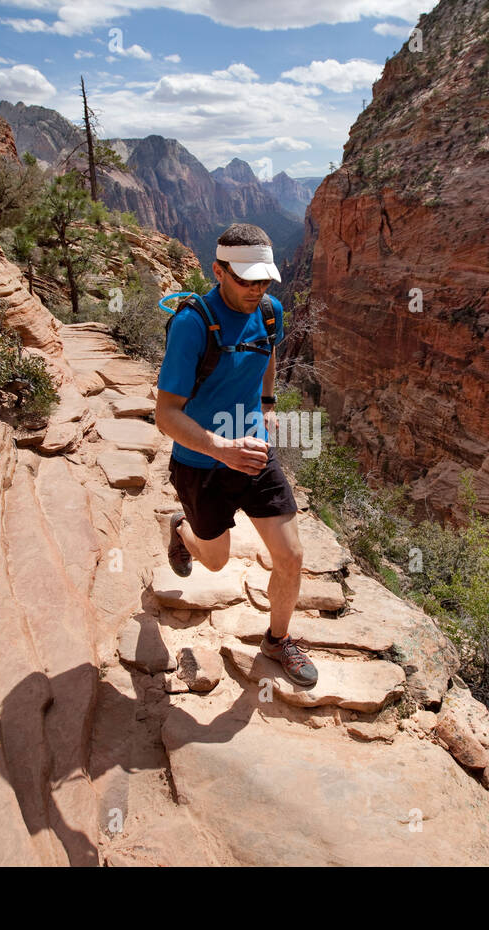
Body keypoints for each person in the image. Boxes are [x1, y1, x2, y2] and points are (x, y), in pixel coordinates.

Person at [154, 223, 317, 687]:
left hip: (253, 454)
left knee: (291, 555)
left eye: (263, 279)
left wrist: (266, 407)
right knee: (216, 562)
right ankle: (181, 530)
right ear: (218, 271)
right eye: (245, 279)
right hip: (201, 463)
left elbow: (266, 355)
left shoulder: (269, 312)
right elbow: (166, 414)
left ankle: (278, 640)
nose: (257, 289)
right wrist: (220, 447)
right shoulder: (191, 325)